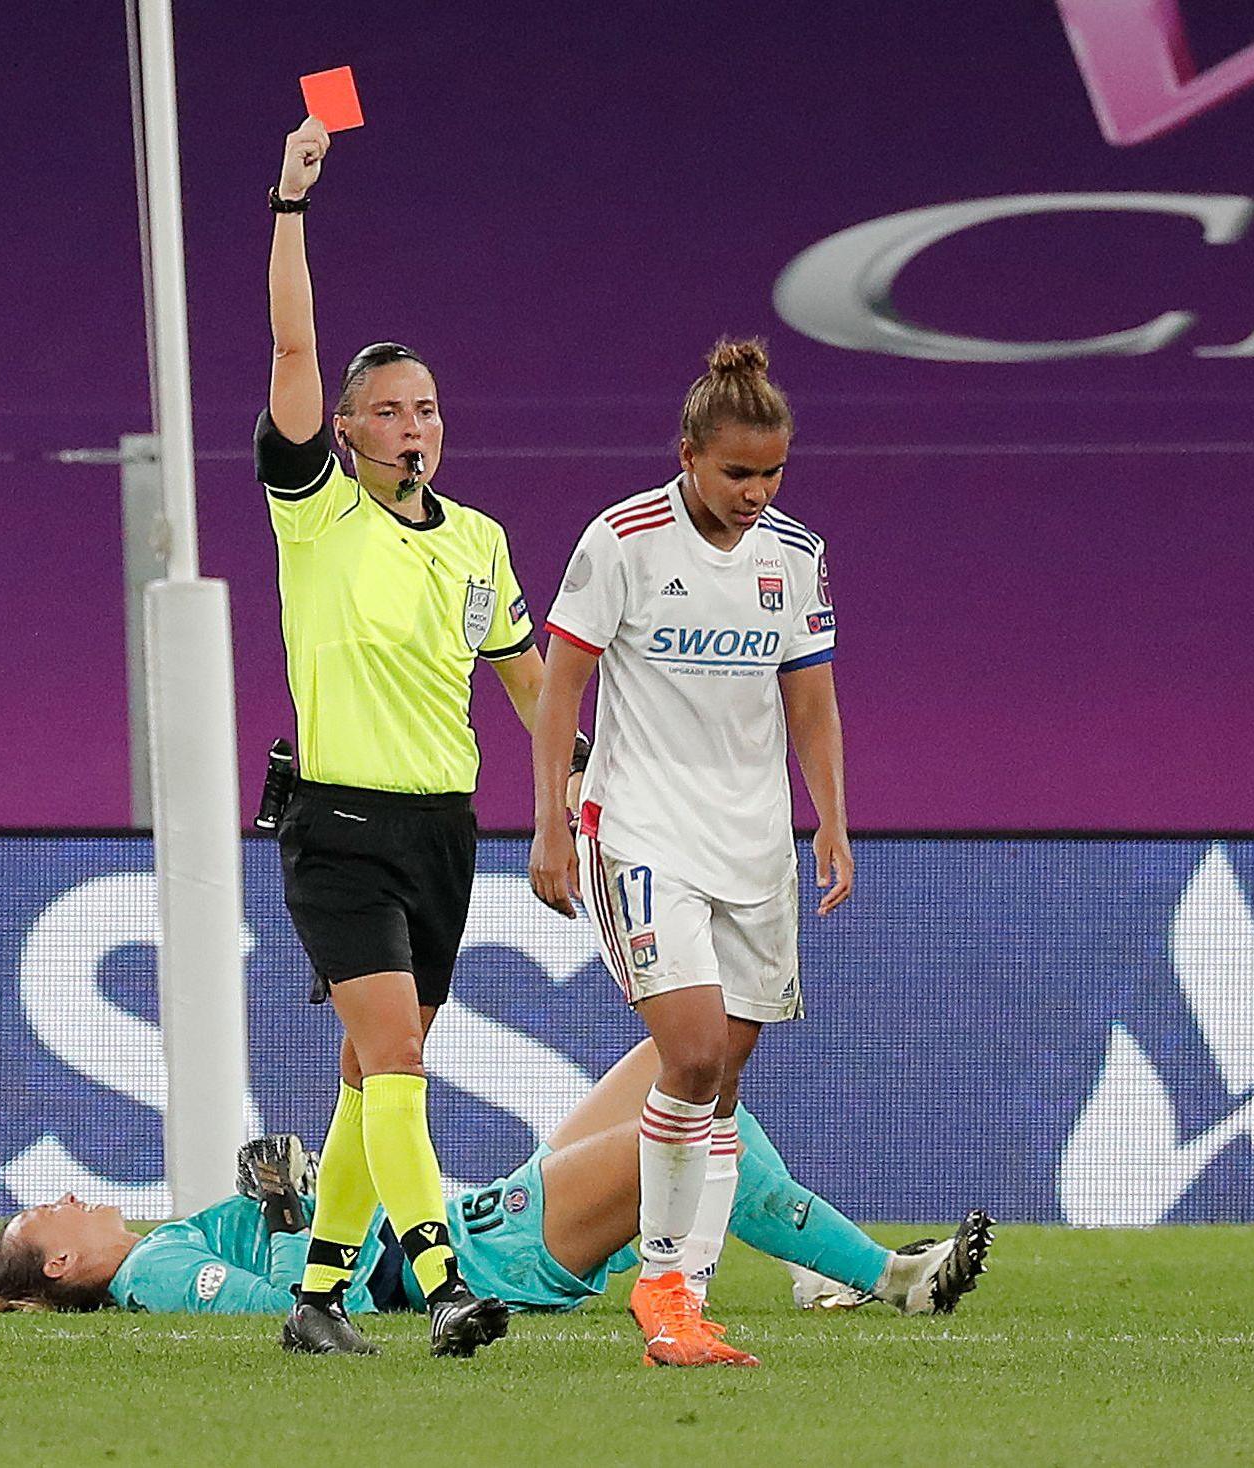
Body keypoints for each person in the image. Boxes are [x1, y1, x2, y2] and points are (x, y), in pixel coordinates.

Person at [258, 117, 575, 1357]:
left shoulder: (479, 540)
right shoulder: (316, 511)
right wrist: (289, 203)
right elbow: (293, 341)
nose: (411, 427)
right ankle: (442, 1281)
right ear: (345, 431)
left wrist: (569, 783)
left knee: (369, 1070)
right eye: (386, 410)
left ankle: (318, 1299)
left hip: (446, 829)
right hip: (336, 826)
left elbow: (520, 672)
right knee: (395, 1054)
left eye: (427, 410)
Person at [530, 338, 849, 1369]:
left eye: (772, 472)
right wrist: (546, 821)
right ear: (687, 456)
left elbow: (810, 699)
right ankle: (661, 1285)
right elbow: (560, 687)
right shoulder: (621, 540)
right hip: (642, 832)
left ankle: (688, 1290)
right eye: (738, 472)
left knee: (727, 1075)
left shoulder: (794, 556)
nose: (757, 492)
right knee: (695, 1054)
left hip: (752, 844)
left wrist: (830, 820)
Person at [0, 1040, 991, 1321]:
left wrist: (285, 1198)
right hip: (484, 1248)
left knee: (689, 1073)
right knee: (699, 1118)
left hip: (478, 1212)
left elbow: (286, 1253)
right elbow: (296, 1304)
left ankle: (833, 1272)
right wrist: (303, 1227)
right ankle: (891, 1278)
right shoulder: (154, 1271)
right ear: (60, 1258)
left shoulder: (169, 1242)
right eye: (49, 1211)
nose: (67, 1191)